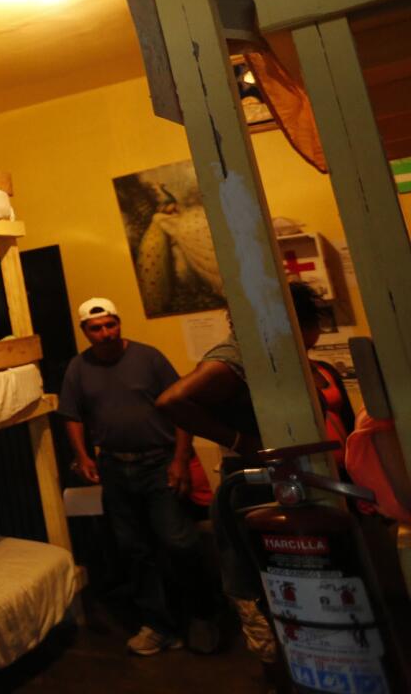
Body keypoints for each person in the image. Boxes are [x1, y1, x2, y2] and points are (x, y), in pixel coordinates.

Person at [155, 280, 352, 675]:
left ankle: (319, 662)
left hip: (297, 479)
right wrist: (241, 441)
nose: (314, 336)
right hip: (255, 486)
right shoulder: (235, 357)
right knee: (266, 583)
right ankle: (280, 669)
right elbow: (172, 401)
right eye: (310, 324)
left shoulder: (281, 354)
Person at [59, 296, 220, 656]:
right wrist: (83, 455)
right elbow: (72, 415)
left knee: (179, 542)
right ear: (85, 332)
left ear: (118, 323)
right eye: (96, 328)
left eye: (110, 325)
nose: (105, 333)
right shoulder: (77, 368)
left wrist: (180, 460)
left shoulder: (149, 358)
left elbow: (182, 407)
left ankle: (203, 616)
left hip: (159, 464)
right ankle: (159, 626)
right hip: (115, 469)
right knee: (133, 549)